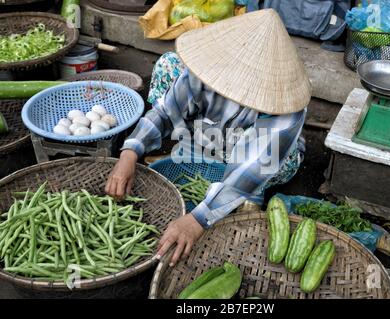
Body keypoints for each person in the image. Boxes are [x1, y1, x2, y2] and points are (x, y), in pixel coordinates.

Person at [105, 9, 312, 266]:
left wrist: (197, 220)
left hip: (260, 158)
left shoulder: (285, 105)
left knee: (264, 170)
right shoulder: (211, 67)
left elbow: (256, 165)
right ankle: (198, 158)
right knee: (170, 64)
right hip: (213, 137)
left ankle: (244, 196)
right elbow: (167, 113)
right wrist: (130, 152)